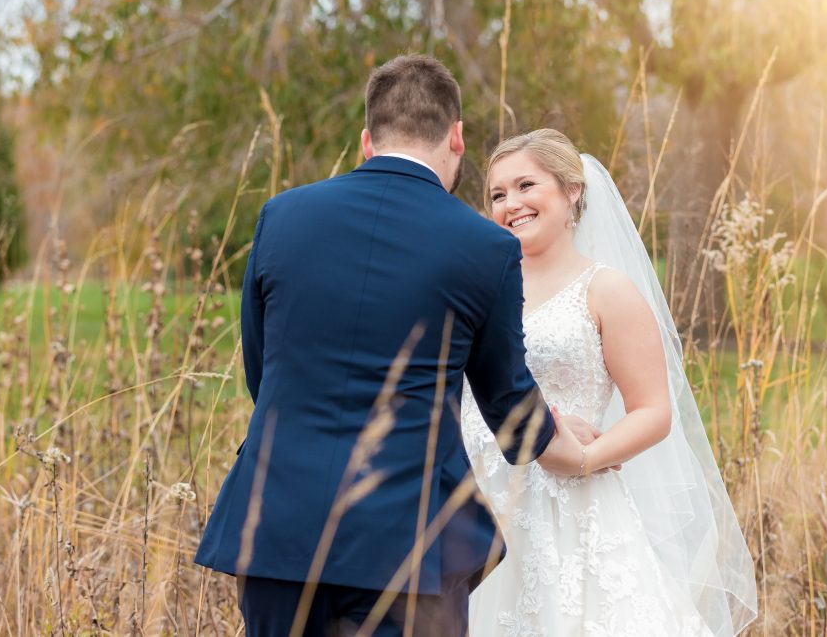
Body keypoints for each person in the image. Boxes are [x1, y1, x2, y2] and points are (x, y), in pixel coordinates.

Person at [195, 57, 595, 636]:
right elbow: (510, 411)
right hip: (406, 545)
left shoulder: (280, 217)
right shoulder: (484, 246)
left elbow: (264, 378)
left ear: (366, 140)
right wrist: (564, 435)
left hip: (276, 530)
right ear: (456, 137)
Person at [461, 129, 758, 636]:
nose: (511, 204)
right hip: (478, 508)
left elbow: (653, 410)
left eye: (526, 186)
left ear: (572, 190)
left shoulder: (606, 290)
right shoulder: (478, 288)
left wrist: (581, 460)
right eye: (498, 194)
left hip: (570, 515)